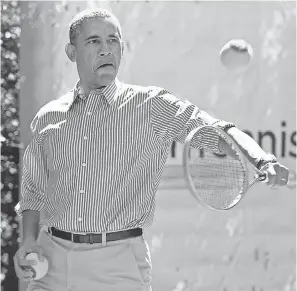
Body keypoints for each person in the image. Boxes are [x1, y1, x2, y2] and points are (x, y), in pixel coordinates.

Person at [13, 8, 289, 291]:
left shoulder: (151, 106)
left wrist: (261, 159)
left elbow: (217, 131)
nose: (106, 49)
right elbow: (34, 190)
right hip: (51, 264)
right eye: (94, 41)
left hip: (118, 267)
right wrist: (28, 240)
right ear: (72, 53)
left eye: (113, 40)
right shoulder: (49, 115)